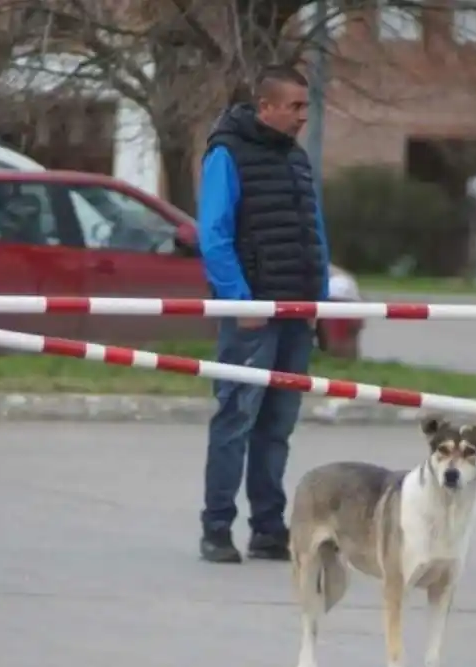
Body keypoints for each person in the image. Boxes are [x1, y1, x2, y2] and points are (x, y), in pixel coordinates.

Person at [195, 64, 330, 564]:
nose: (302, 116)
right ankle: (216, 527)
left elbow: (313, 230)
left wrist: (318, 299)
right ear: (266, 106)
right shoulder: (227, 153)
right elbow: (213, 234)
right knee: (236, 417)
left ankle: (269, 528)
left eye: (305, 106)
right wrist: (240, 299)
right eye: (294, 106)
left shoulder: (295, 160)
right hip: (252, 313)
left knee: (277, 425)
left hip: (296, 310)